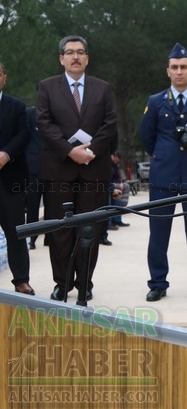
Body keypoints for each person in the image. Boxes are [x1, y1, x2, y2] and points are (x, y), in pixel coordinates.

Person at [36, 35, 117, 303]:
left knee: (88, 229)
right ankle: (62, 282)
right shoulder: (47, 87)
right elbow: (45, 124)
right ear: (61, 58)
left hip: (93, 170)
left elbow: (109, 124)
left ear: (87, 58)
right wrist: (70, 151)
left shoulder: (102, 89)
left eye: (80, 52)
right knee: (60, 231)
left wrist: (90, 151)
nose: (75, 56)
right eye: (69, 52)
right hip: (59, 169)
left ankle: (85, 282)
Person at [140, 43, 187, 303]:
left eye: (184, 67)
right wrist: (165, 156)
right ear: (168, 71)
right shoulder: (155, 101)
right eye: (174, 67)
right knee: (158, 233)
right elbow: (147, 137)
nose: (179, 71)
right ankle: (158, 283)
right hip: (163, 176)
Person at [0, 62, 32, 295]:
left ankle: (21, 280)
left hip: (10, 180)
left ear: (4, 77)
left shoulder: (17, 107)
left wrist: (6, 154)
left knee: (16, 232)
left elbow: (24, 135)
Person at [25, 106, 45, 250]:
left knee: (54, 205)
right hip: (33, 167)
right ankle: (32, 237)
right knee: (33, 205)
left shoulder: (58, 111)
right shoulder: (29, 113)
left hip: (54, 166)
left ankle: (51, 237)